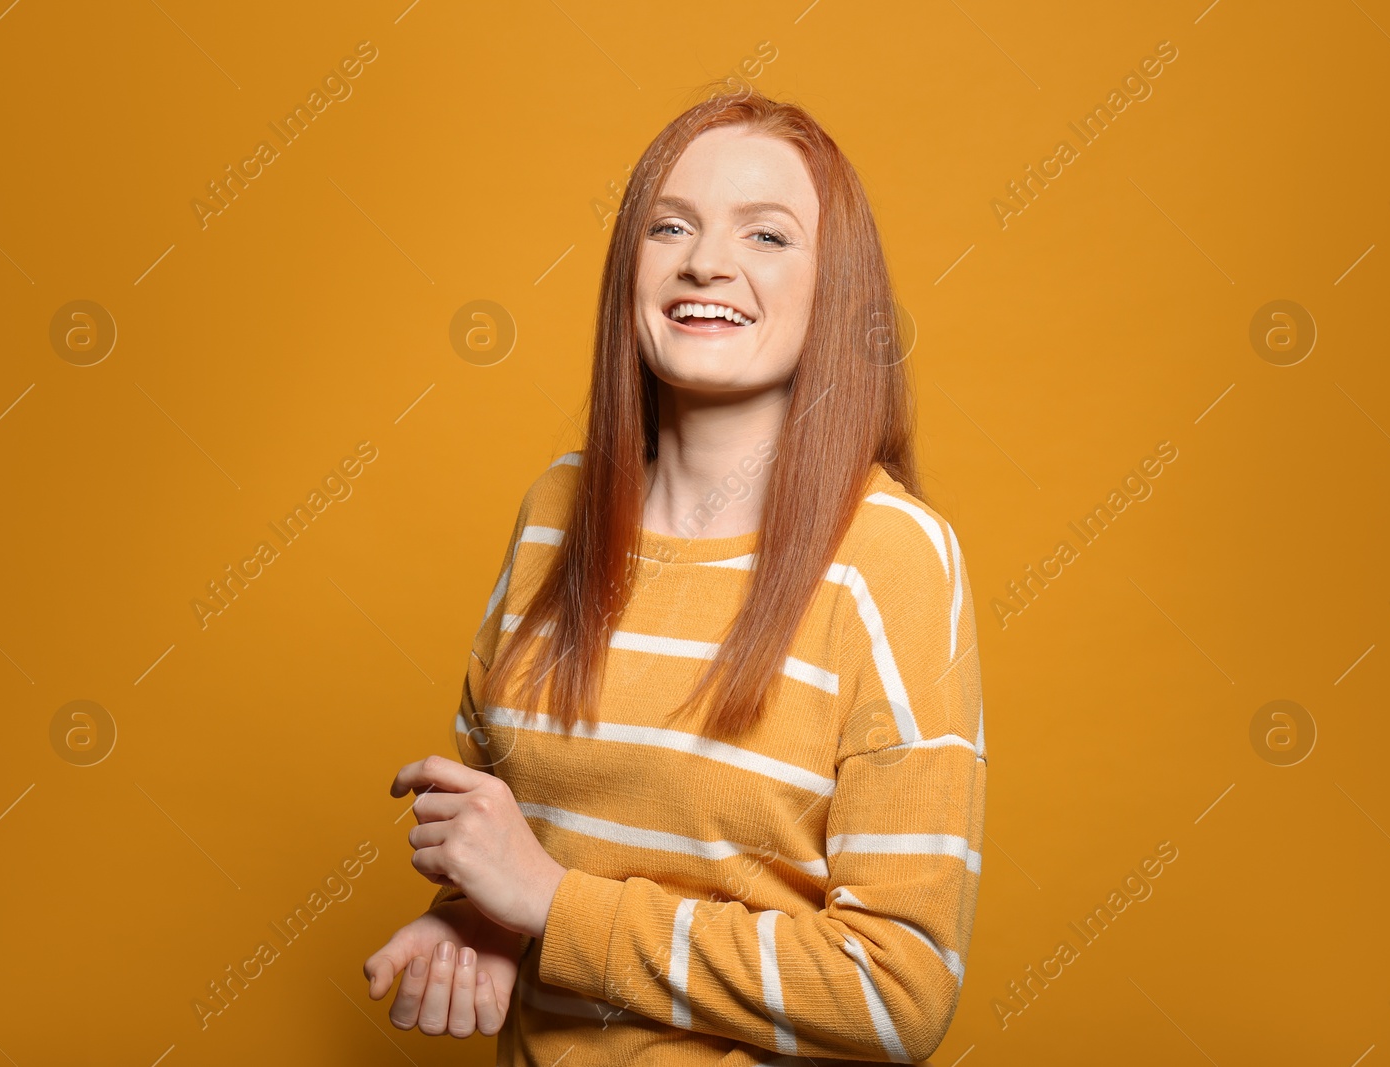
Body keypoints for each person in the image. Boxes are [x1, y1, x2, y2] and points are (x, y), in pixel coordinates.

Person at [363, 84, 987, 1065]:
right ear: (629, 269)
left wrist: (552, 905)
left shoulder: (889, 556)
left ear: (837, 290)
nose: (707, 261)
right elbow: (508, 832)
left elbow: (896, 989)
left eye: (767, 236)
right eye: (671, 225)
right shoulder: (554, 513)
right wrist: (478, 917)